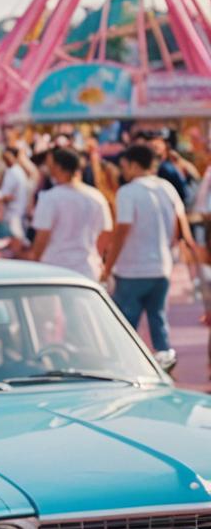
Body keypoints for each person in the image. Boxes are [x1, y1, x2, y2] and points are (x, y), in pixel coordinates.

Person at [101, 144, 200, 369]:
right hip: (161, 266)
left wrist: (108, 266)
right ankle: (165, 359)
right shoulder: (166, 188)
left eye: (125, 166)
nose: (122, 171)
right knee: (158, 318)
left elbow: (122, 230)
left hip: (133, 268)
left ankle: (127, 366)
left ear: (135, 165)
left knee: (125, 324)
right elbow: (180, 225)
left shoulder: (128, 192)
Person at [29, 148, 112, 280]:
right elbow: (106, 233)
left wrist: (35, 263)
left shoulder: (50, 198)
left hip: (54, 269)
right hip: (87, 270)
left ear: (57, 167)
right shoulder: (96, 197)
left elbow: (41, 237)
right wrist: (97, 257)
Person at [0, 145, 30, 255]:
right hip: (16, 213)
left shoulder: (13, 172)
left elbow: (6, 196)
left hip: (13, 215)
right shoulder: (16, 171)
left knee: (14, 247)